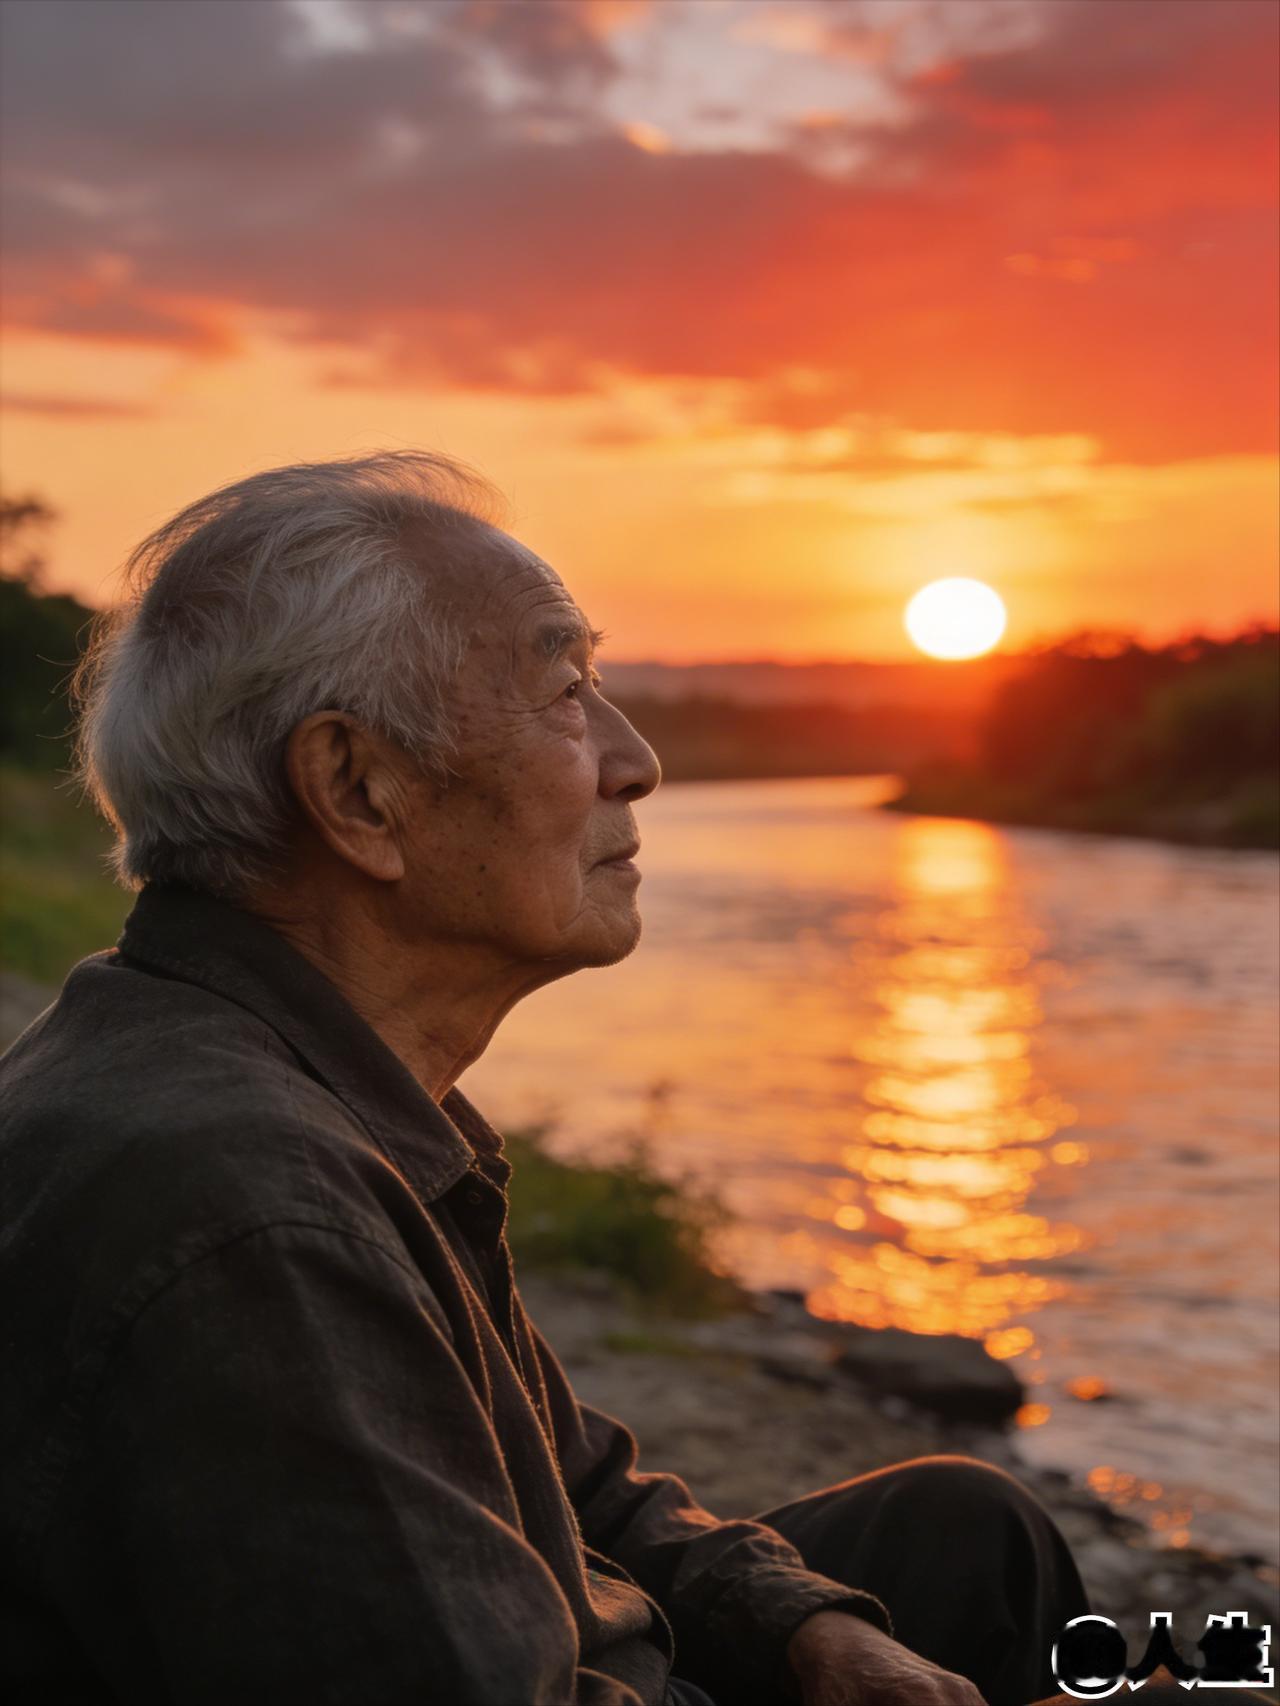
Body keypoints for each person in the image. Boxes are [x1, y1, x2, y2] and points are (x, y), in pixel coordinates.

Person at [0, 453, 1089, 1706]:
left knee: (966, 1531)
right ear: (358, 789)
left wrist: (802, 1628)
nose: (636, 761)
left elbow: (567, 1492)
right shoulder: (254, 1201)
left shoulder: (295, 1069)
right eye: (566, 694)